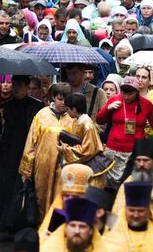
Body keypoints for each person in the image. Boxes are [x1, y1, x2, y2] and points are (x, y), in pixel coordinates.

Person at [18, 85, 102, 220]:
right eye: (60, 99)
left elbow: (87, 145)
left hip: (67, 167)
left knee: (63, 199)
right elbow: (31, 143)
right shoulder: (42, 115)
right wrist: (27, 170)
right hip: (43, 165)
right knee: (41, 196)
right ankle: (43, 230)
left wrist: (68, 151)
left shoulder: (76, 118)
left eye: (66, 100)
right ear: (53, 97)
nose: (63, 103)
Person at [0, 75, 41, 234]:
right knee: (5, 187)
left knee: (22, 188)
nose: (15, 88)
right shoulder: (5, 106)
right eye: (13, 84)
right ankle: (5, 221)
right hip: (7, 153)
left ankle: (18, 222)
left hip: (26, 151)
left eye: (19, 85)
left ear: (28, 86)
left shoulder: (38, 107)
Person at [95, 75, 153, 187]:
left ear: (137, 92)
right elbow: (100, 120)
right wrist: (108, 109)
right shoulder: (115, 99)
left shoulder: (146, 104)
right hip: (114, 150)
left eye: (130, 94)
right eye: (124, 92)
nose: (126, 96)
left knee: (131, 184)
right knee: (110, 185)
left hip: (135, 151)